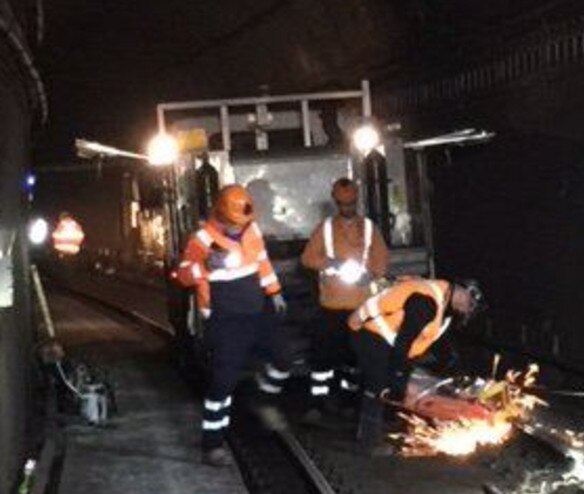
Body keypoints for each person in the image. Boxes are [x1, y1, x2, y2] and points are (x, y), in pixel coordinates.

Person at [176, 184, 290, 466]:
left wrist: (274, 292)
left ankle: (261, 399)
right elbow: (181, 276)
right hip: (226, 318)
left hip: (257, 310)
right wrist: (205, 266)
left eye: (244, 223)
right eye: (234, 223)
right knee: (222, 382)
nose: (240, 228)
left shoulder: (251, 229)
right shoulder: (201, 240)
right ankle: (212, 444)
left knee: (283, 358)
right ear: (221, 214)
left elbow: (261, 262)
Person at [348, 277, 482, 452]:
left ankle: (382, 422)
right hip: (370, 333)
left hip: (389, 341)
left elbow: (440, 345)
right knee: (378, 385)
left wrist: (455, 370)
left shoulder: (445, 308)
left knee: (396, 383)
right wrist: (398, 373)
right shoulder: (427, 302)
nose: (468, 310)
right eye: (470, 304)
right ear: (462, 291)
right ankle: (368, 444)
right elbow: (404, 342)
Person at [300, 177, 389, 421]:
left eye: (350, 204)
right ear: (336, 203)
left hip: (360, 308)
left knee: (354, 359)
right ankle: (317, 404)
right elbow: (307, 258)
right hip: (331, 307)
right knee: (322, 358)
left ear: (356, 201)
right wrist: (330, 262)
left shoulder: (369, 228)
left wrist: (370, 275)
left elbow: (381, 261)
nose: (347, 209)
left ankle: (349, 403)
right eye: (343, 204)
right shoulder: (326, 229)